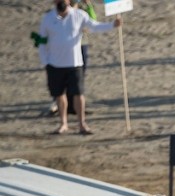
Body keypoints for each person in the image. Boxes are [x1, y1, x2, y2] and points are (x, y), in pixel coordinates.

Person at [37, 0, 120, 135]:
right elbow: (41, 40)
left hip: (75, 63)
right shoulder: (48, 18)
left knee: (78, 94)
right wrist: (45, 61)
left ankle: (82, 124)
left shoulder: (79, 15)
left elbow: (94, 26)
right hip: (54, 64)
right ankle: (63, 124)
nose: (61, 1)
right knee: (59, 95)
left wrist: (112, 25)